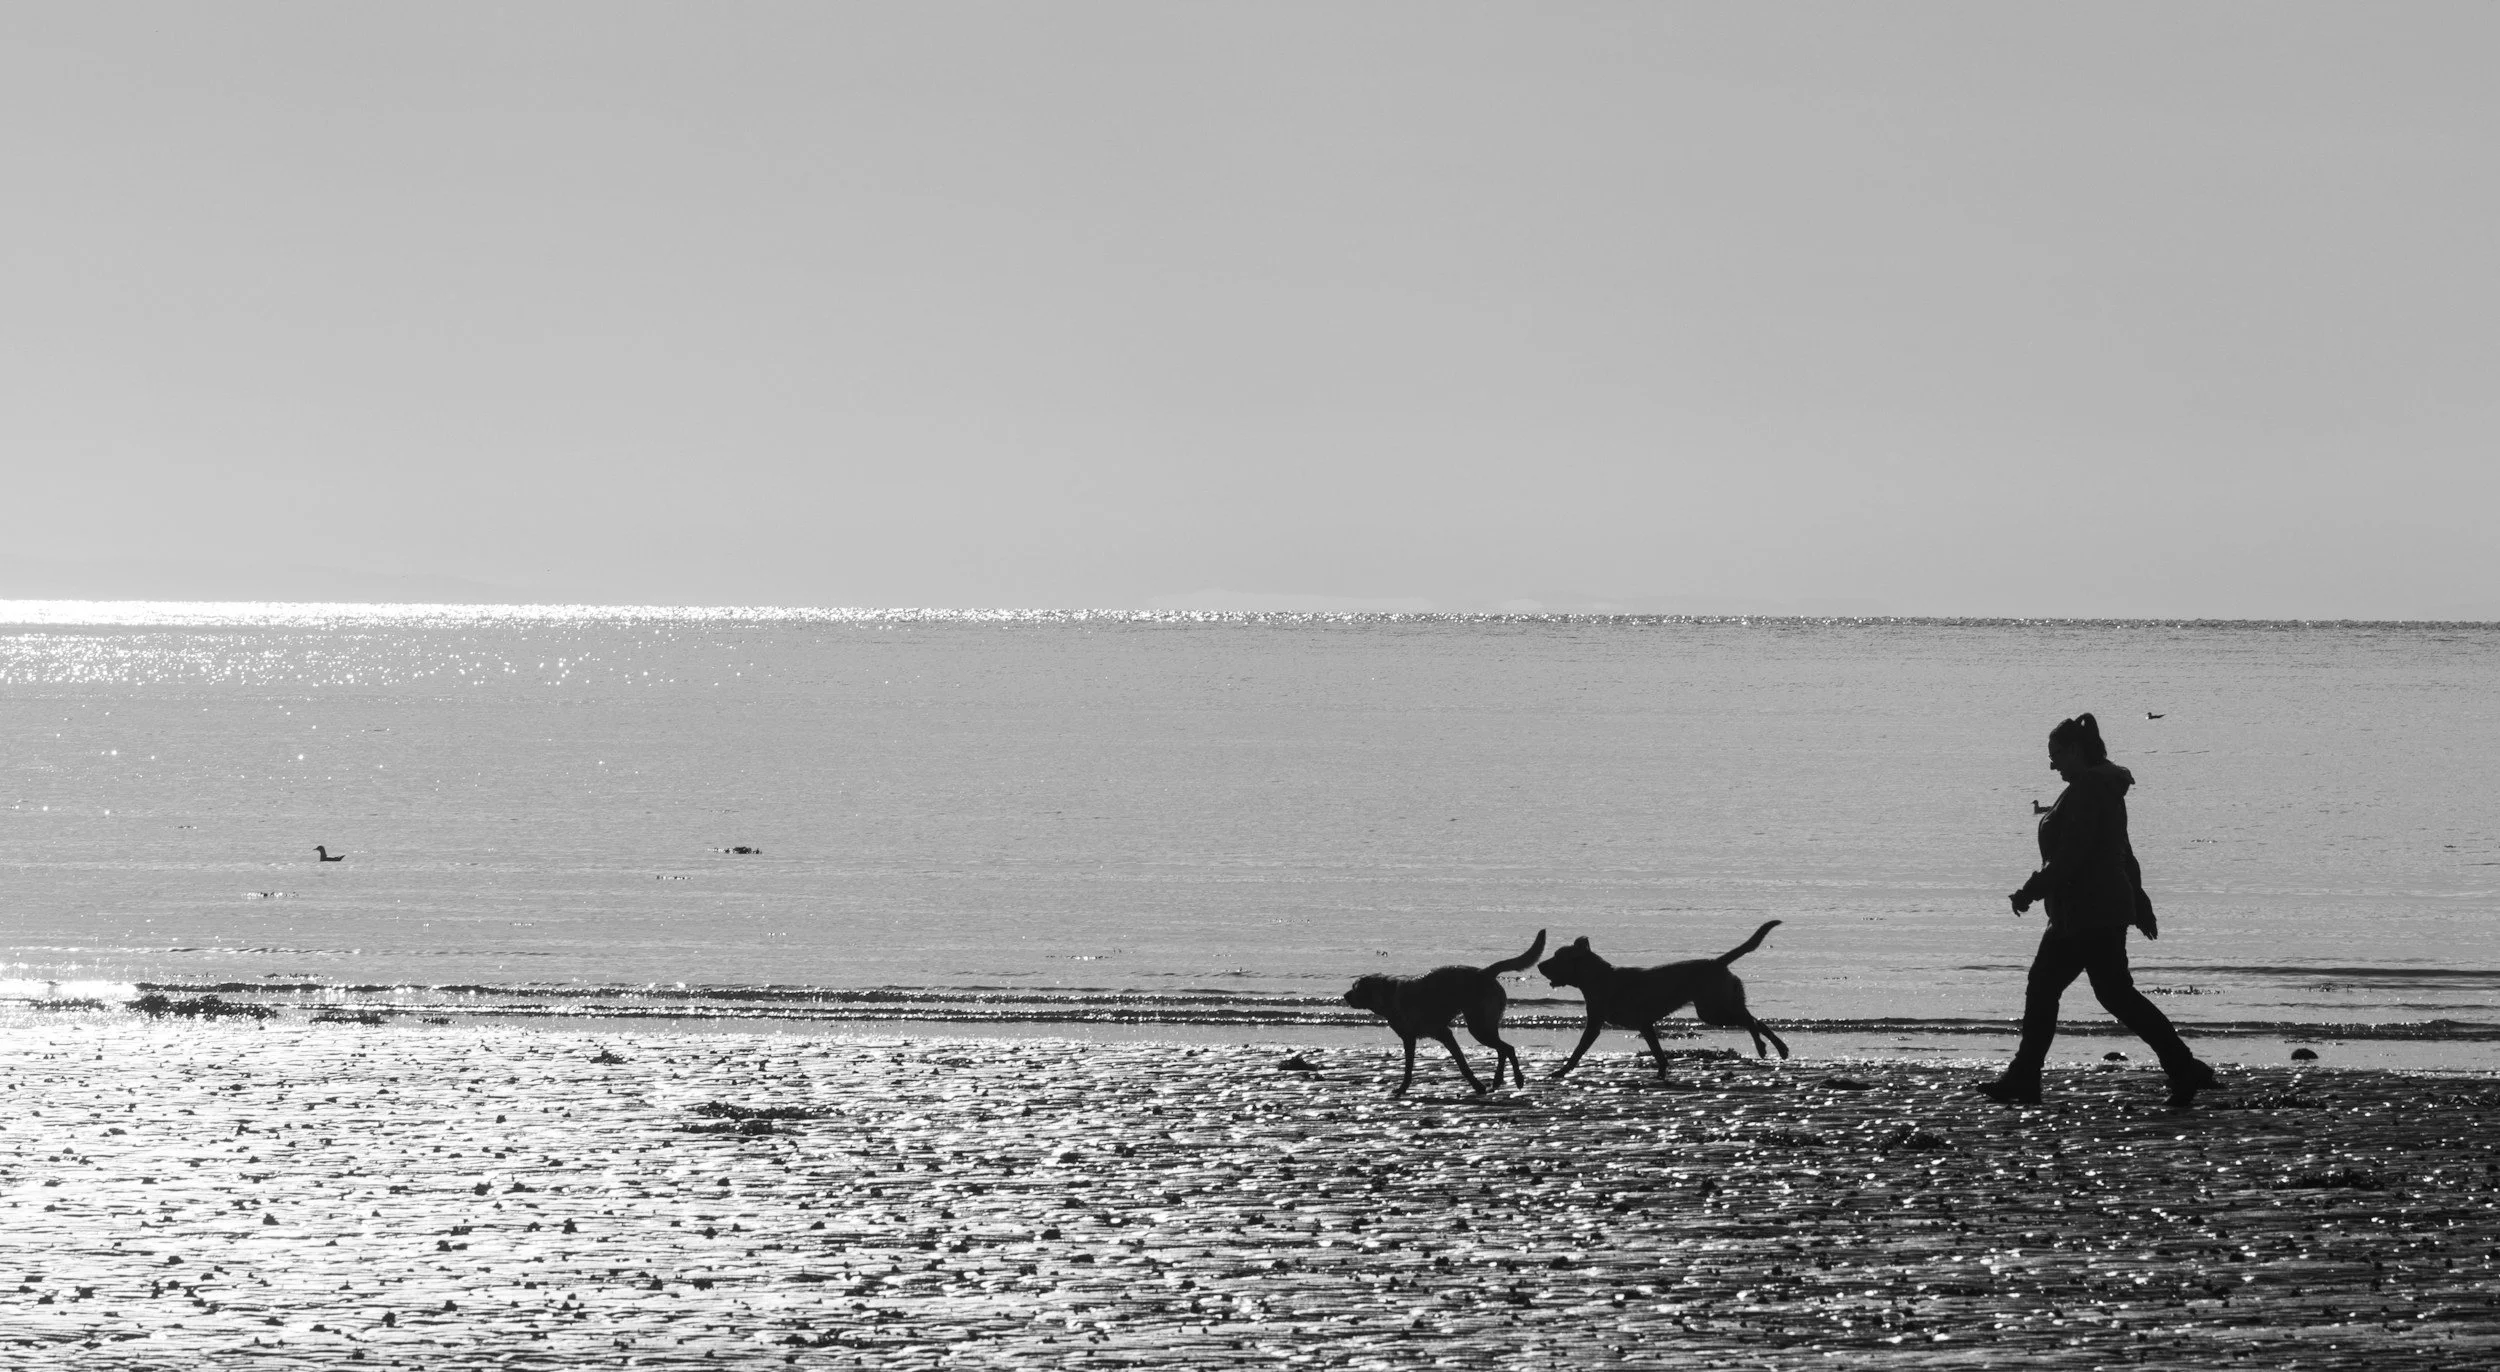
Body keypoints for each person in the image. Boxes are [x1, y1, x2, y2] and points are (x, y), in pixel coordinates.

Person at [1979, 712, 2219, 1108]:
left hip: (2086, 913)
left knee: (2057, 989)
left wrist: (2029, 891)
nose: (2052, 764)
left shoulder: (2089, 790)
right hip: (2093, 910)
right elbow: (2124, 852)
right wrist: (2138, 901)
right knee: (2109, 994)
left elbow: (2073, 856)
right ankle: (2182, 1066)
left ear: (2076, 750)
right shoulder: (2097, 786)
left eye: (2056, 755)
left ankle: (2025, 1077)